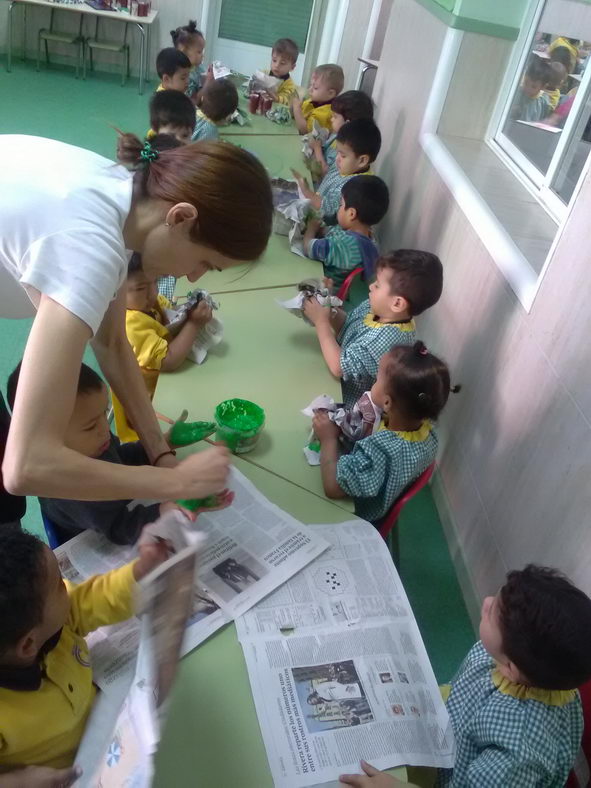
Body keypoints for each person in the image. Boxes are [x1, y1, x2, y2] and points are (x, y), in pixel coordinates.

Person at [0, 133, 272, 506]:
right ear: (180, 217)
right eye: (205, 262)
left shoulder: (124, 199)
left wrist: (161, 455)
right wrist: (174, 485)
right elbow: (27, 465)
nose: (194, 277)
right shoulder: (89, 249)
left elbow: (112, 342)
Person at [339, 565, 591, 788]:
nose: (487, 602)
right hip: (450, 725)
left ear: (510, 669)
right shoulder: (527, 665)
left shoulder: (514, 759)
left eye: (492, 614)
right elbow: (467, 686)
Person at [0, 525, 172, 782]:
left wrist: (139, 572)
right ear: (27, 645)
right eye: (59, 585)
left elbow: (92, 601)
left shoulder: (54, 623)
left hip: (112, 725)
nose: (67, 586)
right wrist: (16, 782)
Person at [7, 361, 199, 545]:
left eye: (104, 412)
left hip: (115, 507)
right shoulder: (73, 491)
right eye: (90, 426)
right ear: (48, 440)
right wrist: (163, 511)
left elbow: (119, 460)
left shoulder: (95, 441)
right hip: (99, 532)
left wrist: (166, 442)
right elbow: (119, 527)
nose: (105, 428)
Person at [313, 342, 454, 522]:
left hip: (357, 513)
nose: (374, 381)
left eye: (378, 379)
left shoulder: (381, 449)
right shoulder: (428, 434)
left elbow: (332, 488)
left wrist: (328, 439)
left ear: (387, 403)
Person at [303, 249, 443, 407]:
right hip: (330, 372)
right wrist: (327, 309)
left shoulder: (387, 340)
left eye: (377, 285)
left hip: (346, 401)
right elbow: (348, 324)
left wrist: (321, 322)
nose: (370, 287)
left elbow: (338, 366)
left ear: (397, 303)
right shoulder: (380, 309)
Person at [112, 253, 213, 441]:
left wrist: (189, 310)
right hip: (147, 401)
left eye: (155, 282)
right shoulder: (129, 324)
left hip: (166, 385)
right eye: (141, 288)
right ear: (114, 293)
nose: (153, 293)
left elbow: (171, 317)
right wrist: (194, 324)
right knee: (149, 441)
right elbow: (169, 360)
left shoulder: (146, 303)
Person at [303, 175, 389, 288]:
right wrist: (323, 230)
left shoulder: (346, 245)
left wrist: (311, 229)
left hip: (327, 290)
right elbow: (334, 233)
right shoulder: (368, 238)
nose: (338, 209)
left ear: (351, 214)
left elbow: (308, 248)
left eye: (341, 205)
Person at [294, 118, 382, 221]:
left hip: (322, 225)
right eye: (338, 152)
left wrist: (307, 192)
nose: (337, 158)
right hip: (315, 201)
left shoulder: (357, 188)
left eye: (343, 155)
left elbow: (327, 208)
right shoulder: (347, 166)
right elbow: (328, 176)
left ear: (362, 160)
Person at [311, 90, 374, 177]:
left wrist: (317, 149)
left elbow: (326, 173)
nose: (331, 119)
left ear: (347, 124)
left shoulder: (345, 150)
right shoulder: (337, 135)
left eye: (335, 117)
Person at [292, 64, 344, 133]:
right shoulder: (314, 101)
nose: (310, 89)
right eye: (311, 85)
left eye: (315, 88)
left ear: (330, 93)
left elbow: (305, 130)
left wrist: (296, 109)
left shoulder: (326, 112)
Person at [170, 20, 210, 104]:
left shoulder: (199, 67)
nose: (202, 55)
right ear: (184, 52)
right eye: (199, 52)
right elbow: (189, 102)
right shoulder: (179, 74)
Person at [511, 56, 551, 122]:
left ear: (543, 87)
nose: (528, 88)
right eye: (526, 82)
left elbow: (544, 119)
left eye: (534, 86)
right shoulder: (517, 93)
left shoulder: (543, 100)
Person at [267, 37, 299, 106]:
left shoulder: (289, 85)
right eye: (274, 60)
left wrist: (276, 98)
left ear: (292, 67)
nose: (277, 65)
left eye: (282, 63)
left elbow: (286, 100)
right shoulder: (265, 73)